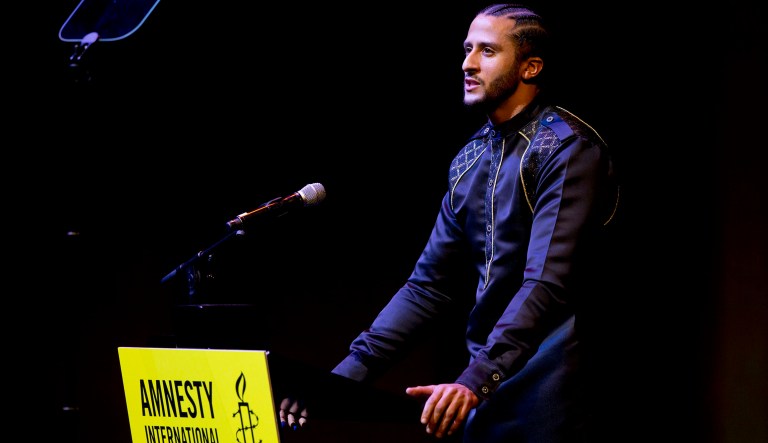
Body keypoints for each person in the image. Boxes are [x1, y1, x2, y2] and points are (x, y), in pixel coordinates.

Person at [280, 3, 620, 442]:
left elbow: (546, 284)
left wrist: (475, 379)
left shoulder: (568, 150)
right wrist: (339, 381)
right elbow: (427, 287)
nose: (468, 63)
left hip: (561, 391)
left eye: (488, 51)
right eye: (466, 49)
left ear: (530, 67)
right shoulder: (470, 159)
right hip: (487, 386)